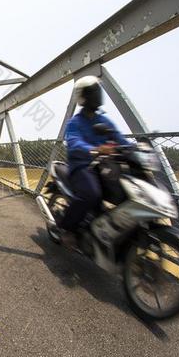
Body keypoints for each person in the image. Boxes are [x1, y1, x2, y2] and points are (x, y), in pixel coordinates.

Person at [56, 75, 129, 236]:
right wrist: (95, 150)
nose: (97, 95)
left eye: (97, 91)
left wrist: (136, 149)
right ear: (83, 96)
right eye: (93, 92)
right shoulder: (75, 122)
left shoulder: (105, 121)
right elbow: (74, 143)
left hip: (105, 165)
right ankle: (67, 229)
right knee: (91, 194)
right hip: (83, 166)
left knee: (127, 192)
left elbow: (120, 139)